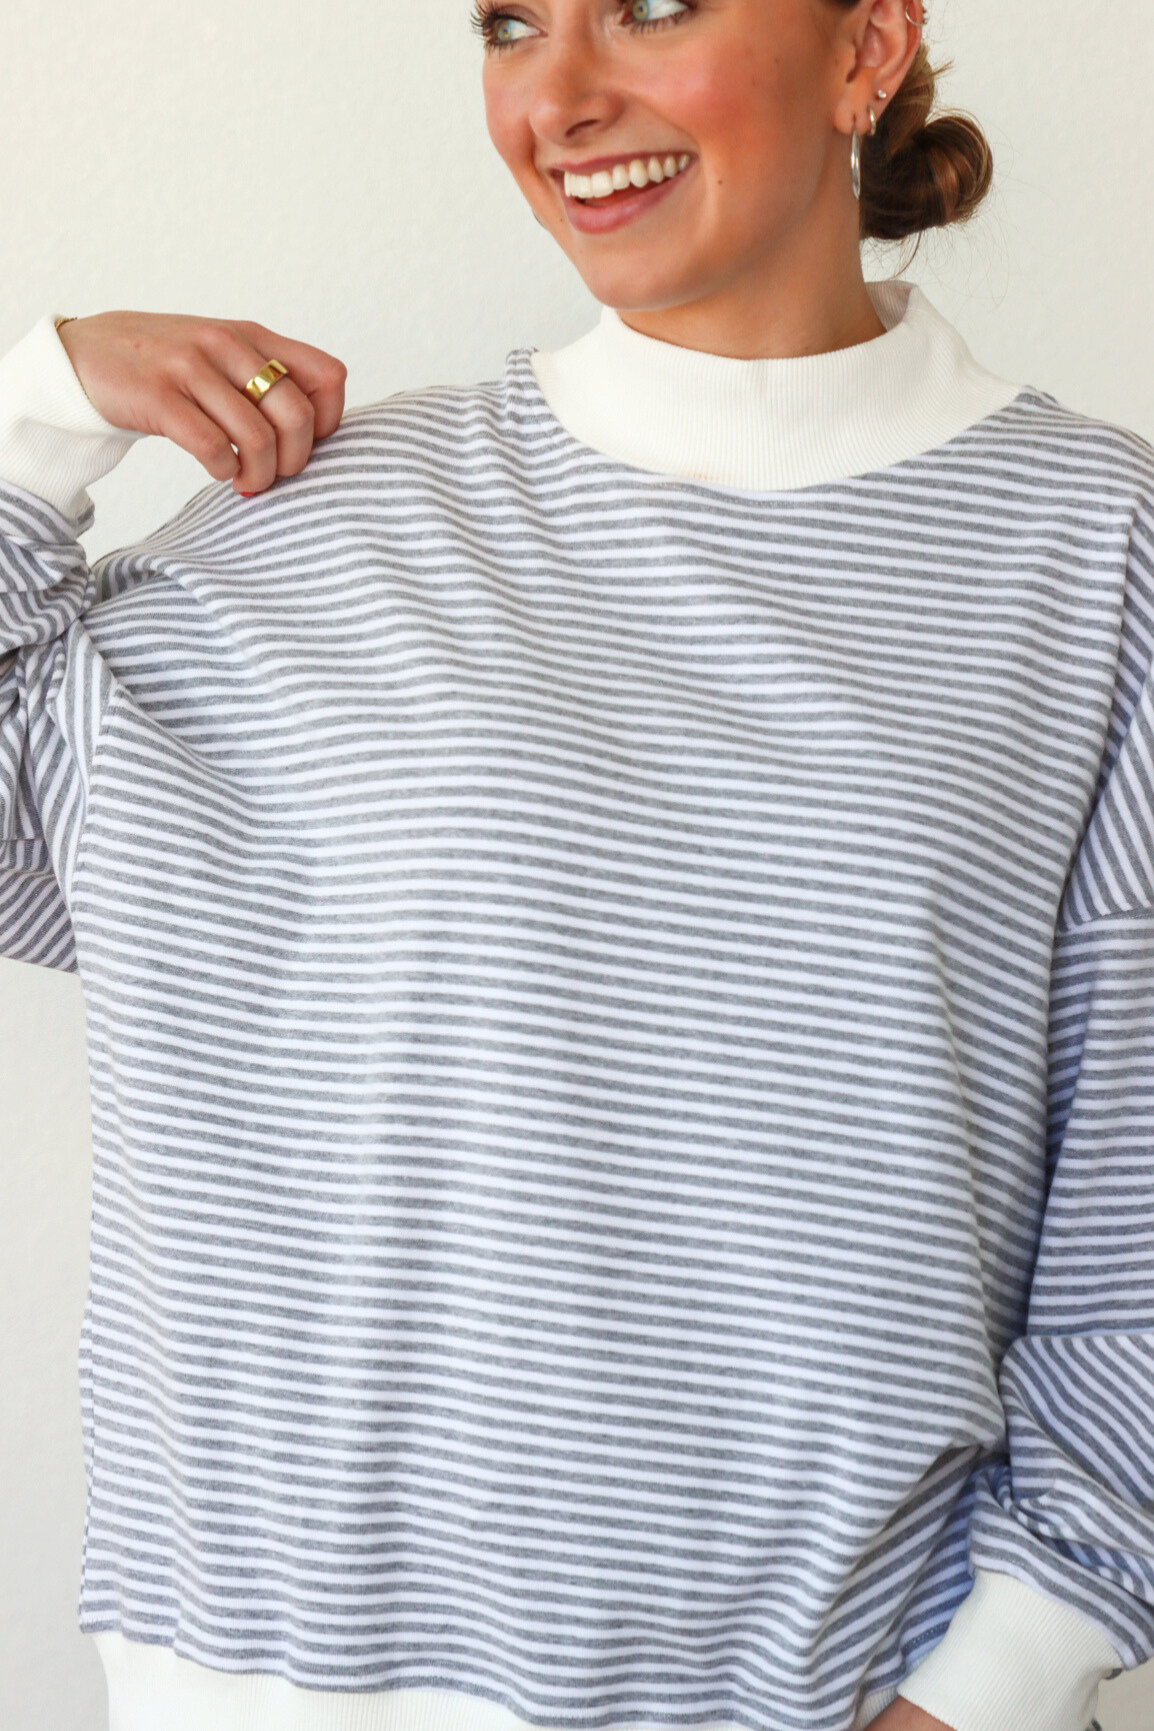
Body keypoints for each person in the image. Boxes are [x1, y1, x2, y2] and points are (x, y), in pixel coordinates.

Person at [1, 2, 1150, 1729]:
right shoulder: (336, 512)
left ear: (866, 49)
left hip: (824, 1687)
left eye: (652, 7)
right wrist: (40, 406)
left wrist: (997, 1678)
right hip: (274, 1672)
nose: (556, 96)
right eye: (508, 23)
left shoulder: (1093, 553)